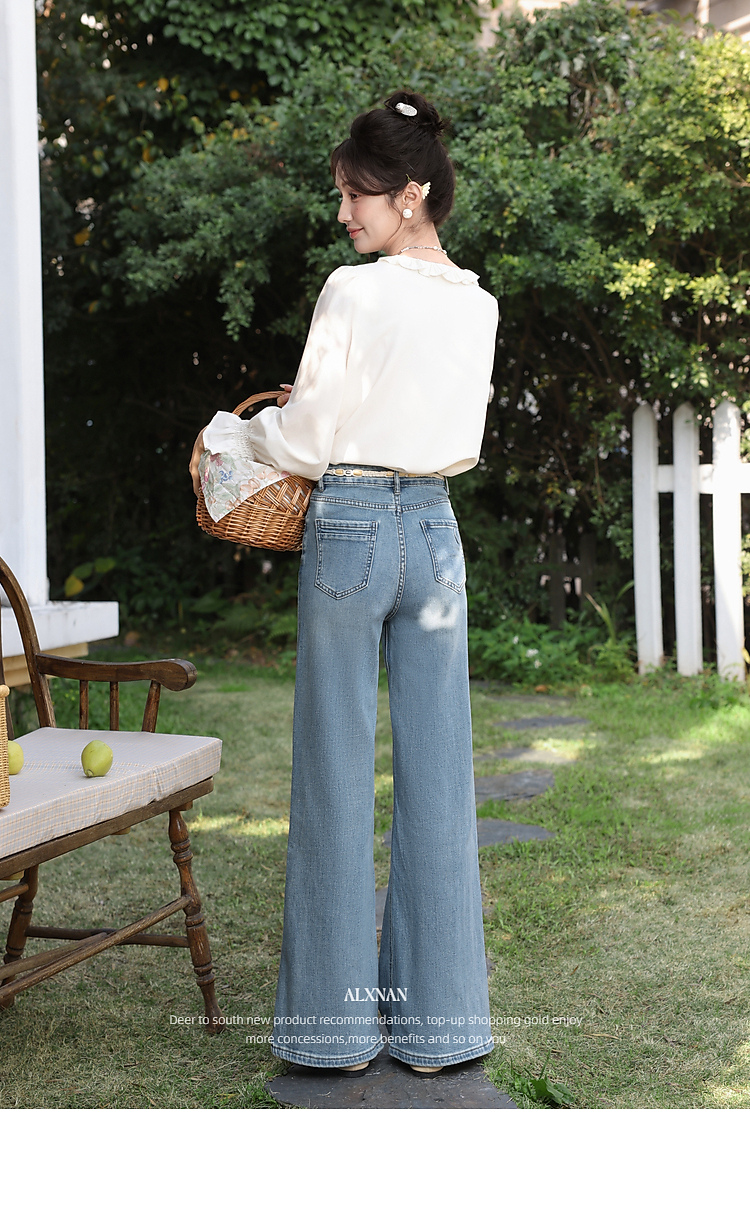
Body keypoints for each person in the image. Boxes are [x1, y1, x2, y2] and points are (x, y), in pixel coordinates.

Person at [189, 91, 499, 1077]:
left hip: (353, 526)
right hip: (436, 530)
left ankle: (334, 1036)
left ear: (407, 194)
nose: (341, 213)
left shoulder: (351, 292)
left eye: (353, 195)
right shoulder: (479, 303)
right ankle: (441, 1031)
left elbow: (308, 441)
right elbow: (451, 431)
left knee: (332, 775)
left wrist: (245, 432)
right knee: (440, 781)